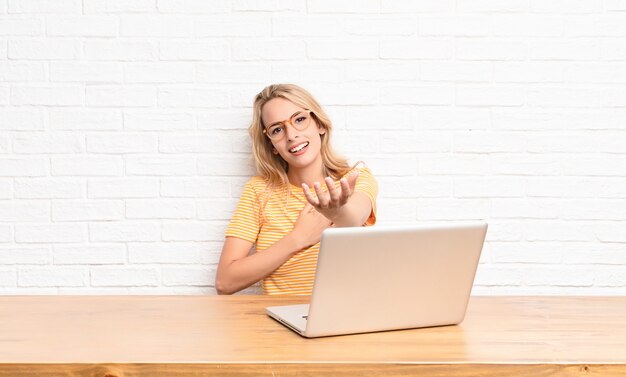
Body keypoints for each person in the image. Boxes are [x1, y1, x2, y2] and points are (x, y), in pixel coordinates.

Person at [215, 84, 378, 295]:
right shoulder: (259, 191)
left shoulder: (355, 178)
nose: (291, 135)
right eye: (277, 129)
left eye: (299, 119)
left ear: (319, 124)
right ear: (272, 144)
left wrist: (336, 213)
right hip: (279, 320)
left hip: (345, 316)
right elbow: (225, 282)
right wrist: (299, 237)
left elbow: (353, 219)